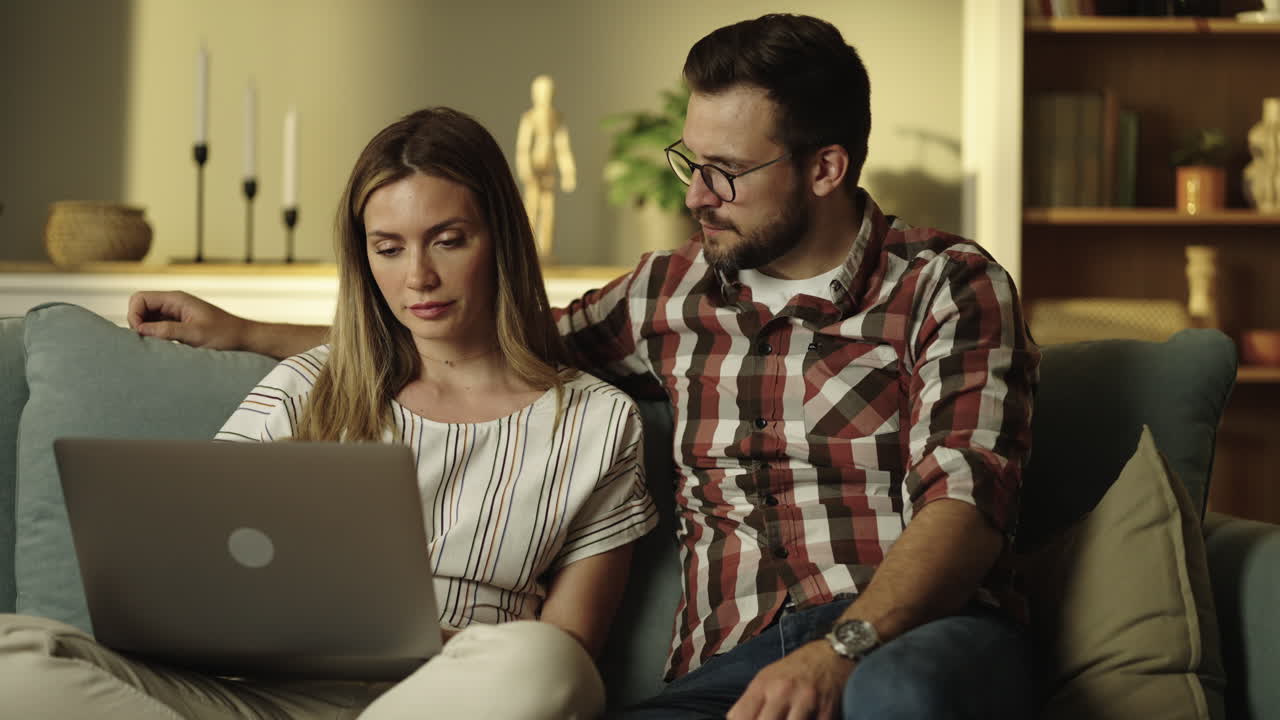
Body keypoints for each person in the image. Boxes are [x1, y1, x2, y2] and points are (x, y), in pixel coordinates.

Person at [127, 13, 1041, 720]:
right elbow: (485, 342)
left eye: (725, 171)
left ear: (825, 168)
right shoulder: (669, 290)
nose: (695, 194)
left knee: (899, 699)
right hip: (729, 669)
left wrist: (842, 649)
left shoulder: (947, 287)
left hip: (915, 634)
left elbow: (964, 504)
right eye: (692, 160)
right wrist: (247, 334)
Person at [1, 107, 658, 720]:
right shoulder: (310, 384)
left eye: (448, 241)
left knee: (544, 662)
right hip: (247, 699)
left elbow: (571, 651)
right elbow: (191, 563)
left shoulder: (597, 424)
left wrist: (419, 635)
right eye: (389, 247)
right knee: (15, 655)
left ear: (501, 240)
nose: (418, 277)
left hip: (443, 697)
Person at [516, 73, 577, 258]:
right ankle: (530, 252)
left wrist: (568, 172)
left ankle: (545, 253)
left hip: (549, 171)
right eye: (542, 92)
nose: (545, 96)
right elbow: (523, 146)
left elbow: (562, 146)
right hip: (535, 170)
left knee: (549, 212)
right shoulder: (530, 117)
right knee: (532, 211)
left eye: (548, 92)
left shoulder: (556, 118)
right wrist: (525, 168)